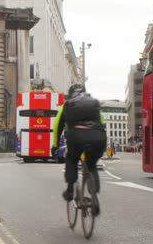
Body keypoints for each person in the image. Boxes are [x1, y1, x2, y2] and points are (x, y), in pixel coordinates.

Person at [51, 84, 106, 214]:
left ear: (70, 95)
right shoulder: (94, 103)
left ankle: (70, 189)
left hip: (77, 136)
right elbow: (102, 123)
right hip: (98, 137)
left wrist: (55, 147)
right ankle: (94, 198)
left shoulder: (67, 104)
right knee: (91, 165)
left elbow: (57, 127)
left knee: (71, 159)